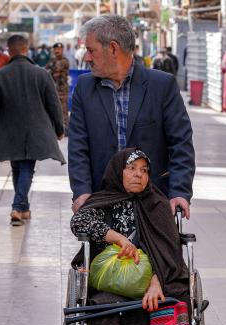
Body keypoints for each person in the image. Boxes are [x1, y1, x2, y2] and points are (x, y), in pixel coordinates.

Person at [70, 148, 190, 325]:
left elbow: (170, 250)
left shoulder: (157, 204)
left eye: (144, 170)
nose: (138, 174)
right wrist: (117, 238)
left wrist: (156, 282)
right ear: (117, 171)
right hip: (113, 282)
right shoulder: (104, 201)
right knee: (104, 302)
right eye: (131, 168)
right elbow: (79, 221)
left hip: (156, 280)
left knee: (175, 294)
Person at [68, 15, 195, 219]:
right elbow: (78, 147)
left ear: (113, 48)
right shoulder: (85, 87)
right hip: (101, 203)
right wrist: (82, 192)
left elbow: (181, 144)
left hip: (153, 203)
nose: (86, 58)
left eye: (91, 50)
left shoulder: (162, 86)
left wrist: (179, 192)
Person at [0, 35, 65, 226]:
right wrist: (59, 128)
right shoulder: (41, 74)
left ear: (9, 51)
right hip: (34, 130)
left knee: (17, 167)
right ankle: (18, 206)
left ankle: (24, 207)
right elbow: (54, 104)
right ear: (26, 49)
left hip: (9, 130)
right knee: (27, 167)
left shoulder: (1, 74)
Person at [46, 42, 70, 128]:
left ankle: (65, 127)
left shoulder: (64, 61)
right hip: (53, 88)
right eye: (55, 49)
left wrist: (51, 71)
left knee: (63, 108)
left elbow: (54, 70)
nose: (57, 51)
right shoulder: (52, 60)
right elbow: (47, 70)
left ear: (62, 50)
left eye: (59, 49)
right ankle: (56, 126)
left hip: (62, 89)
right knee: (54, 108)